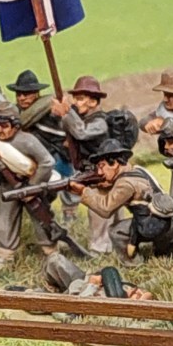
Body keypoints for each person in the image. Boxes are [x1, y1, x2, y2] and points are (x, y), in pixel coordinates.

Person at [0, 103, 66, 275]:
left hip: (32, 185)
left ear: (15, 125)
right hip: (9, 184)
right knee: (5, 218)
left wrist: (32, 188)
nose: (0, 130)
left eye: (4, 126)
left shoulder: (27, 140)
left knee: (41, 218)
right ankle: (5, 257)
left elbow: (47, 162)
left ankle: (51, 253)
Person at [68, 139, 173, 263]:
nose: (99, 172)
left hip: (153, 226)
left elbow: (105, 209)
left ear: (115, 164)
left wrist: (83, 192)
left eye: (102, 166)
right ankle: (169, 250)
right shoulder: (137, 170)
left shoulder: (125, 184)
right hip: (170, 222)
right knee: (163, 254)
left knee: (116, 231)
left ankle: (133, 263)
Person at [50, 75, 115, 252]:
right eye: (75, 98)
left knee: (100, 210)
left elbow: (81, 132)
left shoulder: (100, 122)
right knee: (104, 209)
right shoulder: (84, 118)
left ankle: (100, 248)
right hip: (93, 173)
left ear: (93, 102)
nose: (75, 103)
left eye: (80, 99)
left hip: (103, 173)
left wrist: (67, 112)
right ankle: (108, 245)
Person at [8, 70, 72, 178]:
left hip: (57, 157)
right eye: (18, 94)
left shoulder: (47, 110)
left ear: (36, 93)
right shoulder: (17, 111)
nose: (21, 98)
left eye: (26, 94)